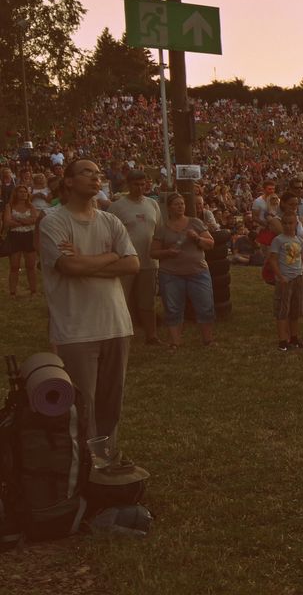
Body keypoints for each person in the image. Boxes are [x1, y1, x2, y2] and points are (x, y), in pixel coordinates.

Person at [38, 159, 139, 442]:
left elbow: (132, 264)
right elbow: (69, 268)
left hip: (116, 324)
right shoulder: (53, 222)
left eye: (98, 174)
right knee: (82, 405)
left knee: (111, 403)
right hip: (76, 329)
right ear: (68, 181)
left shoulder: (110, 221)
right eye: (87, 172)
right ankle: (82, 466)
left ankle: (106, 459)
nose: (96, 178)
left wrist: (84, 261)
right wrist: (110, 256)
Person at [152, 193, 217, 348]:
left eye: (182, 204)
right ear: (169, 208)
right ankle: (175, 342)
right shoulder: (162, 229)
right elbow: (152, 252)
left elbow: (211, 244)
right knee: (173, 308)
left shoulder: (195, 223)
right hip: (171, 274)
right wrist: (168, 252)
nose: (180, 207)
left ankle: (208, 340)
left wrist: (197, 238)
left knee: (205, 306)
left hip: (198, 272)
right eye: (176, 204)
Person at [108, 170, 162, 344]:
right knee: (121, 300)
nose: (139, 188)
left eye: (142, 184)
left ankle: (151, 335)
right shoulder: (117, 207)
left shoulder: (152, 204)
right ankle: (120, 337)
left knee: (148, 301)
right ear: (128, 185)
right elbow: (109, 234)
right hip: (125, 260)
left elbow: (159, 230)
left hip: (148, 260)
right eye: (135, 184)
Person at [267, 212, 303, 351]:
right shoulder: (278, 240)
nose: (287, 226)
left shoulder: (299, 241)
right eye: (284, 223)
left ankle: (294, 338)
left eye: (290, 223)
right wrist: (280, 276)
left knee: (295, 311)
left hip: (298, 277)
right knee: (282, 310)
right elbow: (272, 260)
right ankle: (282, 340)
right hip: (285, 279)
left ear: (295, 224)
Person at [4, 184, 40, 297]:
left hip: (29, 236)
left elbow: (35, 220)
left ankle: (33, 291)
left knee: (30, 265)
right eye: (20, 192)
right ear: (16, 193)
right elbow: (7, 222)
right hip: (14, 236)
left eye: (25, 192)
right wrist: (26, 221)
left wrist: (17, 220)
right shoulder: (9, 206)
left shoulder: (31, 206)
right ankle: (12, 292)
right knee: (14, 266)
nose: (23, 194)